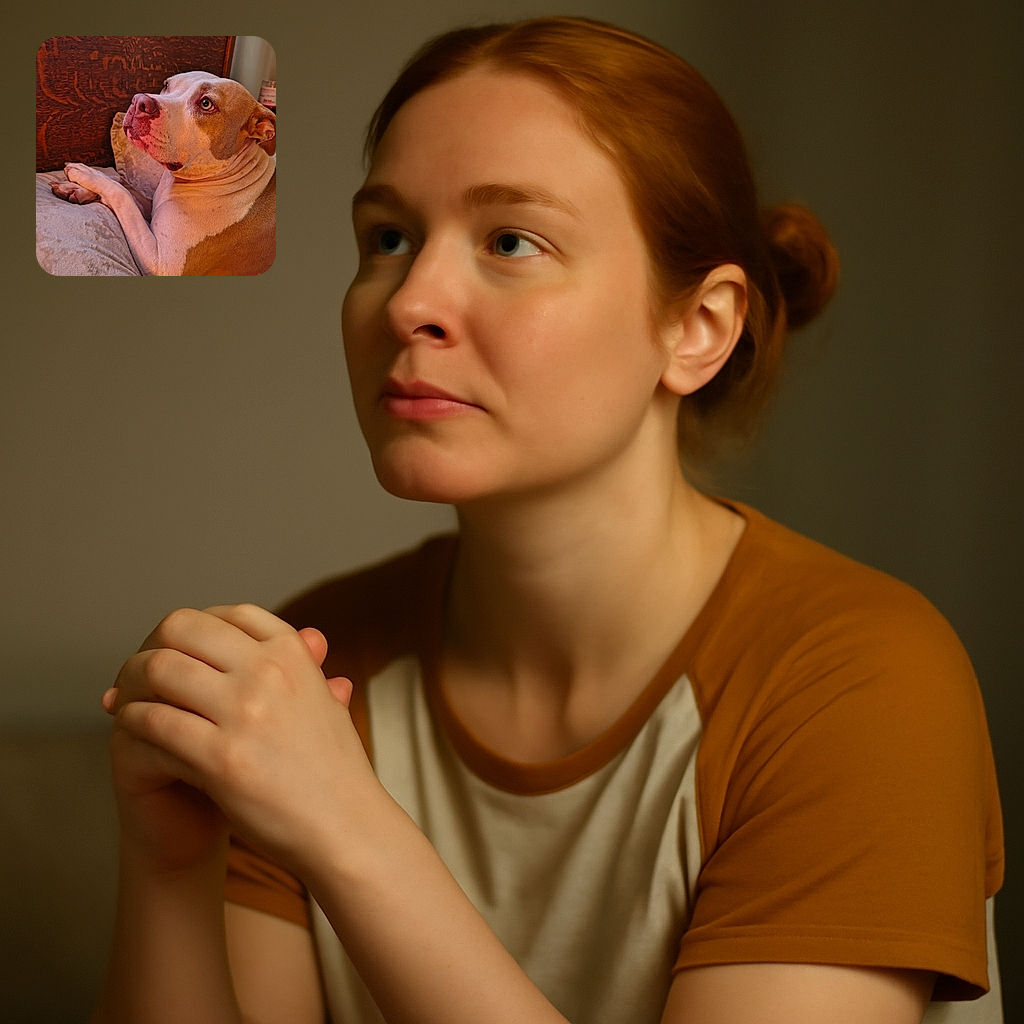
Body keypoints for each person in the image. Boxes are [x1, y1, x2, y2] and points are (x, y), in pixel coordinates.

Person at [90, 16, 1003, 1024]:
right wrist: (168, 863)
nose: (409, 301)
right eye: (388, 237)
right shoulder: (320, 663)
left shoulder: (862, 679)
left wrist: (345, 825)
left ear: (696, 328)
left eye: (511, 239)